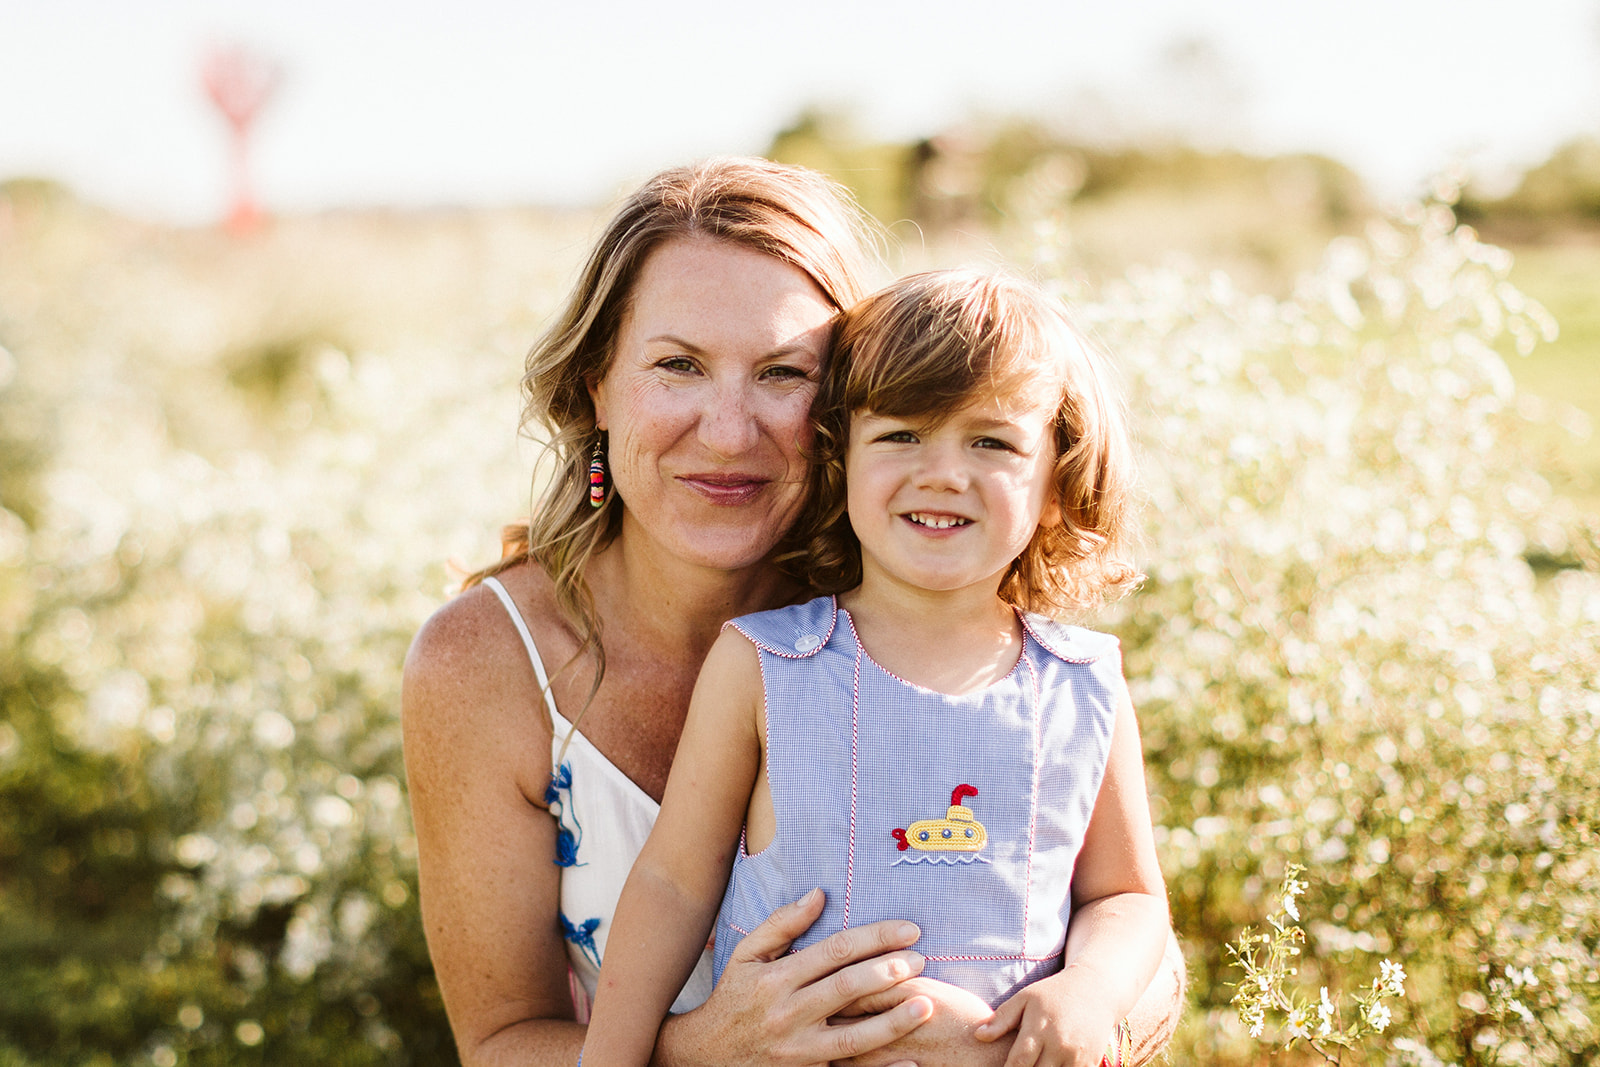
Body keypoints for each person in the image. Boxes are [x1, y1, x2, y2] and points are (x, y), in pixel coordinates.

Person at [402, 157, 1184, 1067]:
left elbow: (1135, 930)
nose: (730, 430)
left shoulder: (936, 602)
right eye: (677, 365)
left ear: (844, 406)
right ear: (596, 386)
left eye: (782, 372)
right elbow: (498, 1044)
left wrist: (1041, 1036)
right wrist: (704, 1052)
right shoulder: (489, 663)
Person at [580, 269, 1168, 1067]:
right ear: (840, 457)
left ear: (1057, 479)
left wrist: (1090, 991)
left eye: (991, 442)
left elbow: (1126, 896)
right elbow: (673, 883)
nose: (942, 473)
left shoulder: (1080, 682)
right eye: (902, 434)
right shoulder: (769, 662)